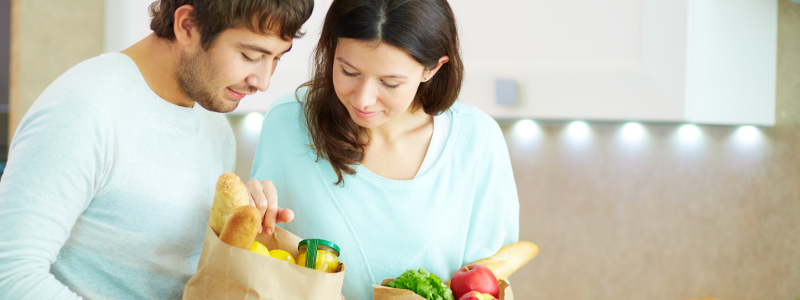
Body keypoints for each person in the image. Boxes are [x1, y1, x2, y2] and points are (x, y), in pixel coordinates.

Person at [0, 0, 312, 299]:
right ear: (187, 26)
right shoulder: (85, 108)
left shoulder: (216, 130)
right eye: (249, 55)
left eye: (277, 58)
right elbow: (10, 276)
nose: (264, 81)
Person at [250, 0, 520, 298]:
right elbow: (260, 259)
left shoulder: (477, 142)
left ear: (431, 68)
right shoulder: (287, 124)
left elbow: (487, 283)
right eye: (349, 72)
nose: (364, 100)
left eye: (390, 83)